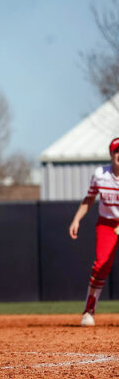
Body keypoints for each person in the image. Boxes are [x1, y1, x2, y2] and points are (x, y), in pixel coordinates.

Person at [69, 136, 119, 327]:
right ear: (111, 154)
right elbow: (89, 199)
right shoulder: (100, 175)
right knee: (100, 266)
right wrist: (76, 220)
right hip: (107, 223)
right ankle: (89, 310)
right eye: (116, 150)